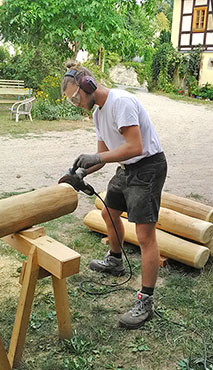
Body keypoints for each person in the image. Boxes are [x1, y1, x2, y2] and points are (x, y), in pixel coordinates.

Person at [61, 63, 167, 329]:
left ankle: (146, 300)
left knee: (145, 236)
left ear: (88, 85)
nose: (76, 103)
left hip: (148, 166)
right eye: (71, 101)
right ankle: (115, 260)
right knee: (109, 211)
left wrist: (97, 157)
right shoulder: (98, 114)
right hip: (127, 167)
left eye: (76, 97)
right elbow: (104, 157)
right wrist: (82, 171)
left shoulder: (122, 102)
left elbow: (135, 146)